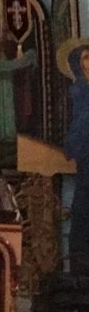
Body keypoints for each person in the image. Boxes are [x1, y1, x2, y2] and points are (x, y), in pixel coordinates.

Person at [64, 44, 89, 274]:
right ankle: (79, 264)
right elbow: (80, 122)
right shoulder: (78, 90)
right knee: (83, 204)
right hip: (85, 152)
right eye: (86, 58)